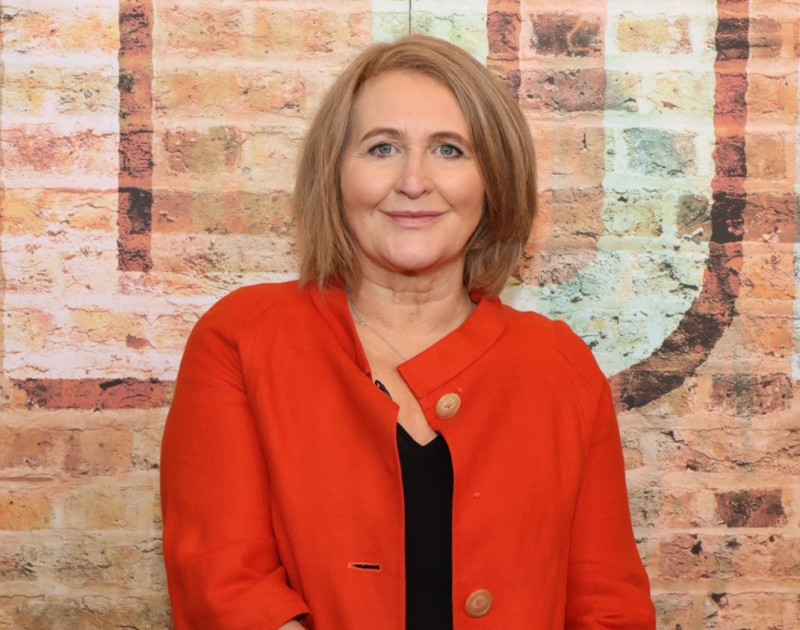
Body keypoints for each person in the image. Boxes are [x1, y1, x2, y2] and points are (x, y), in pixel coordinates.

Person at [160, 34, 656, 630]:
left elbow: (609, 606)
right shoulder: (242, 339)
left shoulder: (560, 367)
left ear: (493, 182)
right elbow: (225, 586)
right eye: (382, 148)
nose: (414, 180)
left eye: (450, 150)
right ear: (335, 176)